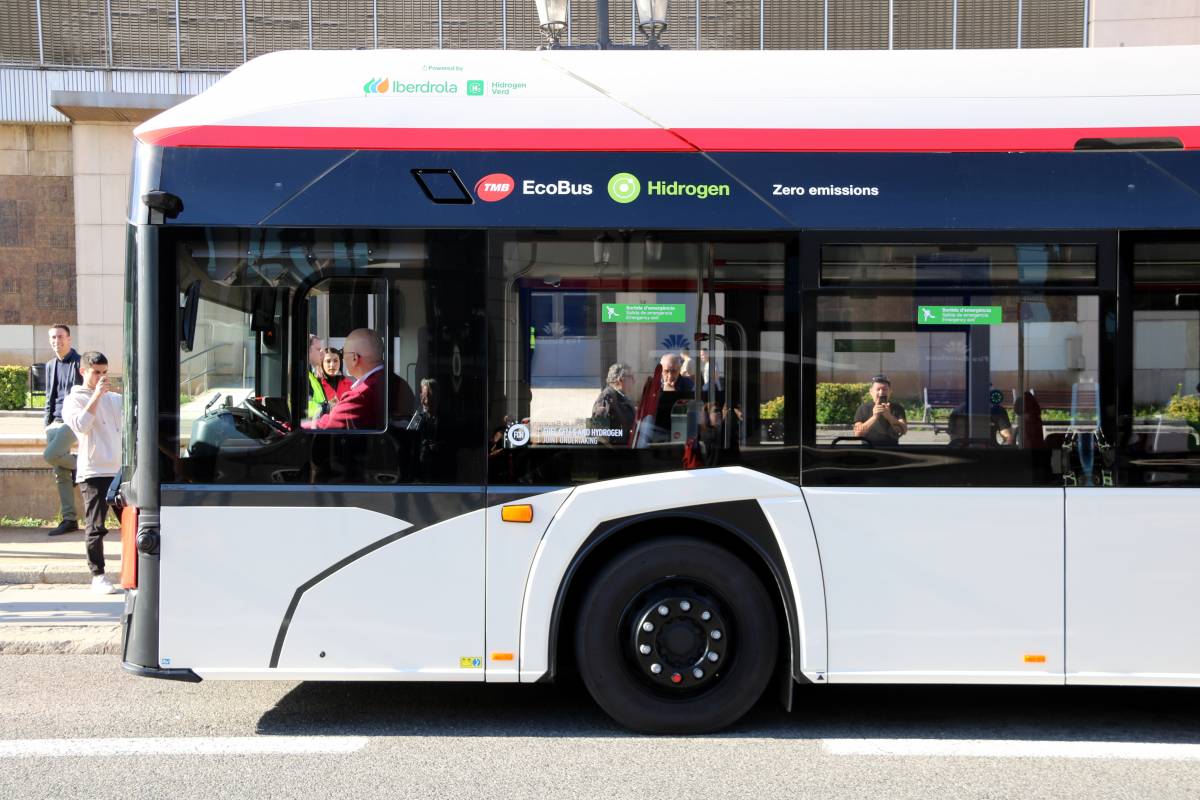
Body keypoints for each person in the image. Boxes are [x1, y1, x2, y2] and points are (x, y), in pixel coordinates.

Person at [61, 351, 122, 594]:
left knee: (133, 523)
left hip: (119, 470)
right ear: (83, 371)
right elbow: (81, 425)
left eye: (104, 372)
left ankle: (135, 570)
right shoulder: (73, 400)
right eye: (96, 372)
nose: (101, 377)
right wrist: (96, 395)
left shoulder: (113, 399)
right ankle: (97, 575)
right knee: (96, 526)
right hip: (94, 470)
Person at [43, 324, 83, 536]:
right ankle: (69, 519)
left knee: (51, 455)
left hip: (74, 419)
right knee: (60, 470)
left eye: (60, 337)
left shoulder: (80, 362)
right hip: (55, 422)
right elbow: (49, 398)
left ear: (69, 339)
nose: (56, 341)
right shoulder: (50, 365)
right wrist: (46, 425)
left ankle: (81, 464)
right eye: (52, 338)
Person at [304, 328, 386, 430]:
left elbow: (326, 425)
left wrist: (294, 426)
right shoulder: (398, 384)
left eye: (343, 353)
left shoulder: (360, 395)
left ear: (355, 358)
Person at [852, 375, 908, 446]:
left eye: (884, 389)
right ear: (871, 391)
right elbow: (858, 434)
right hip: (868, 450)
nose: (881, 392)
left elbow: (903, 430)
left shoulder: (897, 408)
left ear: (890, 391)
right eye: (878, 389)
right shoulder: (863, 408)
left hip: (892, 450)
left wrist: (889, 416)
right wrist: (874, 417)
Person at [590, 363, 637, 445]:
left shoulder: (621, 396)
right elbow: (598, 436)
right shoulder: (606, 398)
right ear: (621, 380)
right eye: (631, 377)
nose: (634, 381)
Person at [947, 396, 1014, 446]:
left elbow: (954, 439)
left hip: (964, 455)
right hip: (990, 456)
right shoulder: (998, 410)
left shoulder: (957, 411)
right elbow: (1008, 438)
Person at [305, 334, 325, 419]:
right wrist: (326, 408)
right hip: (308, 428)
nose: (322, 353)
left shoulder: (311, 375)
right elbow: (304, 407)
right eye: (318, 349)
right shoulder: (302, 376)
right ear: (307, 350)